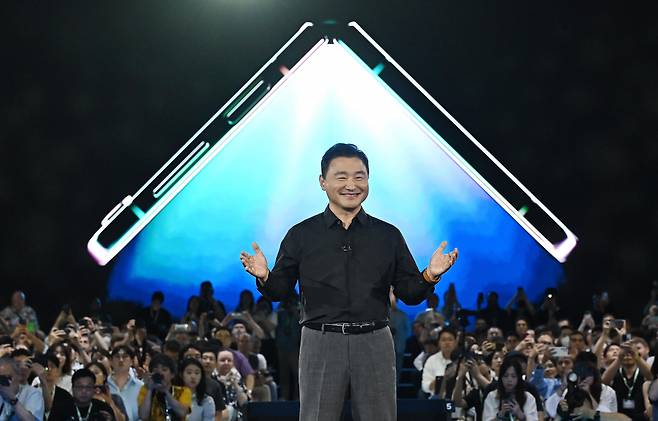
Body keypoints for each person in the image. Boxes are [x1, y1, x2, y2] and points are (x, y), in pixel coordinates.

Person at [240, 143, 459, 421]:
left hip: (375, 340)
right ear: (323, 182)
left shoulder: (387, 235)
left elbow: (410, 292)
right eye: (341, 176)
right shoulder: (301, 234)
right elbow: (280, 290)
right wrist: (265, 275)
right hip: (320, 340)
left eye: (359, 176)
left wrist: (431, 274)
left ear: (368, 180)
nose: (351, 185)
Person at [138, 354, 191, 421]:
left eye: (164, 370)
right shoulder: (145, 390)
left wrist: (166, 392)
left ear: (172, 374)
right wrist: (150, 390)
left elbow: (182, 413)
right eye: (155, 370)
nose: (160, 373)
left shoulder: (183, 391)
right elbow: (143, 416)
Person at [48, 367, 116, 420]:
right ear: (73, 388)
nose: (84, 391)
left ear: (93, 389)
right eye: (79, 387)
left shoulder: (103, 409)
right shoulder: (59, 410)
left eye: (88, 387)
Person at [0, 356, 44, 421]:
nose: (4, 382)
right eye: (1, 378)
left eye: (8, 377)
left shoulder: (32, 393)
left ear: (18, 376)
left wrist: (12, 398)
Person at [107, 346, 143, 421]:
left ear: (132, 361)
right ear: (110, 361)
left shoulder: (141, 386)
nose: (121, 360)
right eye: (117, 357)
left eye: (125, 357)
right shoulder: (104, 386)